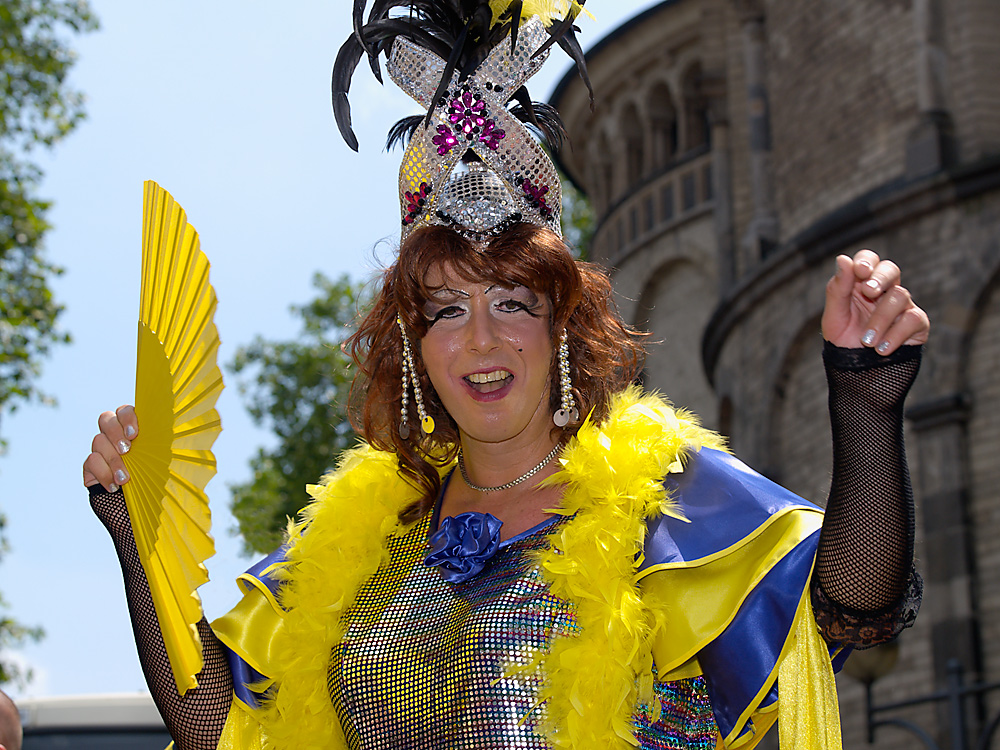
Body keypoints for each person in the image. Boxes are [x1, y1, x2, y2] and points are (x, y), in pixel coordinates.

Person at [83, 3, 929, 749]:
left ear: (564, 326)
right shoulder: (358, 541)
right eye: (446, 312)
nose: (481, 341)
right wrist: (134, 529)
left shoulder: (666, 501)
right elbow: (215, 728)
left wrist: (864, 398)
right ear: (413, 350)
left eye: (513, 302)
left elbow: (853, 607)